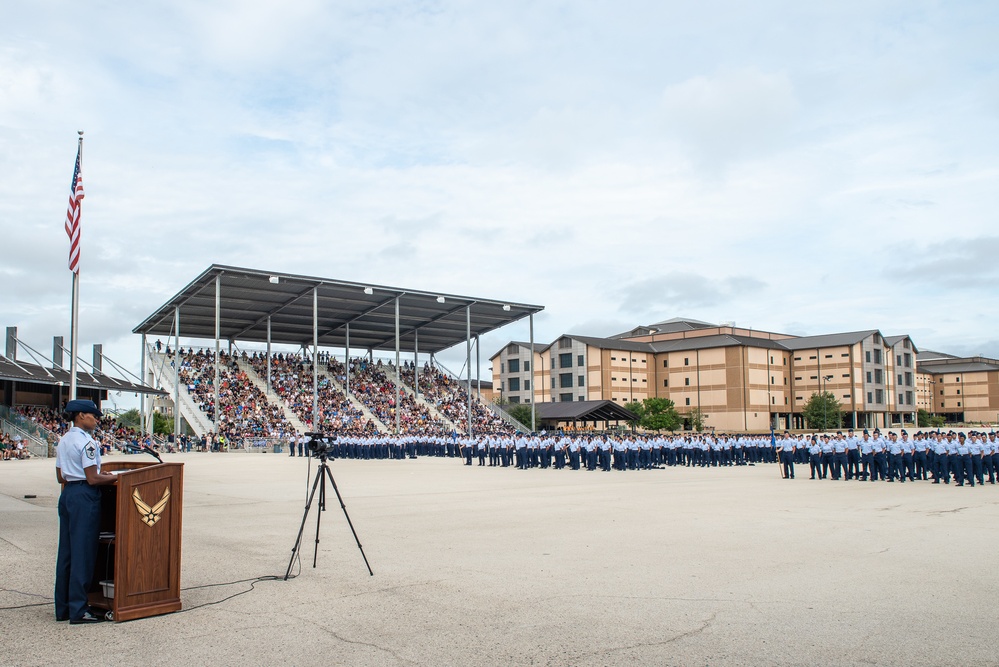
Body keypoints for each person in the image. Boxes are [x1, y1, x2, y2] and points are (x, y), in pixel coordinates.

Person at [54, 399, 118, 624]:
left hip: (69, 494)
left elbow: (61, 476)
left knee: (67, 554)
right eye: (93, 416)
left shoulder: (63, 440)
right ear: (80, 415)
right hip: (84, 497)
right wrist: (115, 477)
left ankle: (63, 608)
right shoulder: (87, 443)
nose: (97, 419)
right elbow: (92, 478)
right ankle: (79, 610)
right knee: (83, 554)